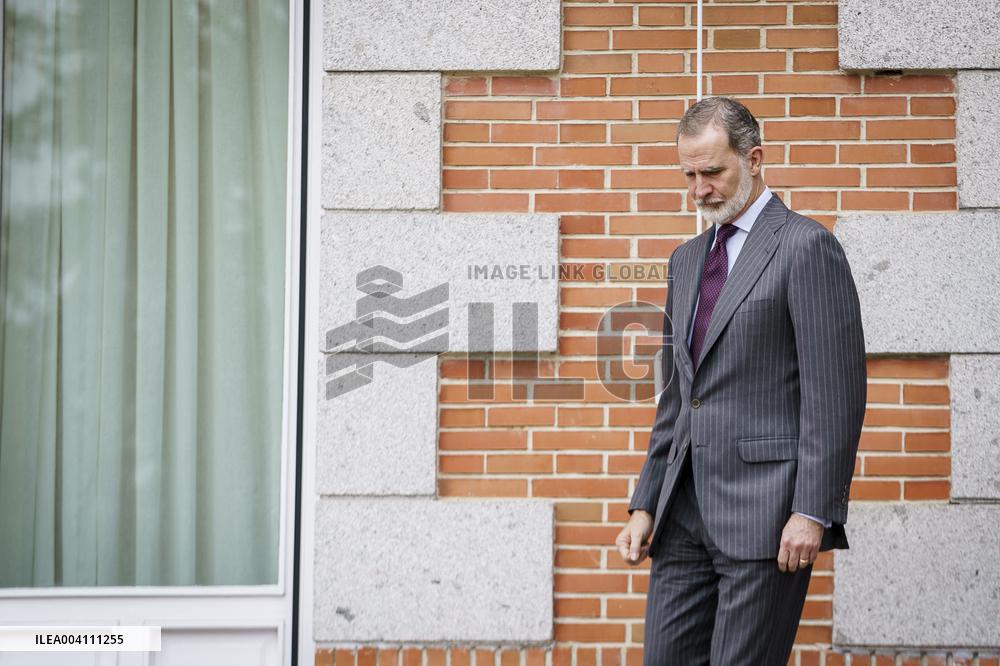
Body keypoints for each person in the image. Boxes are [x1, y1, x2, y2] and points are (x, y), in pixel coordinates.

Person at [614, 96, 867, 665]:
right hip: (681, 515)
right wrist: (645, 503)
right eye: (689, 175)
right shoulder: (685, 260)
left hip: (767, 516)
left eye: (712, 172)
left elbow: (836, 394)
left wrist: (813, 511)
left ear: (755, 159)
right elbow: (679, 395)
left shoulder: (806, 247)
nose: (700, 189)